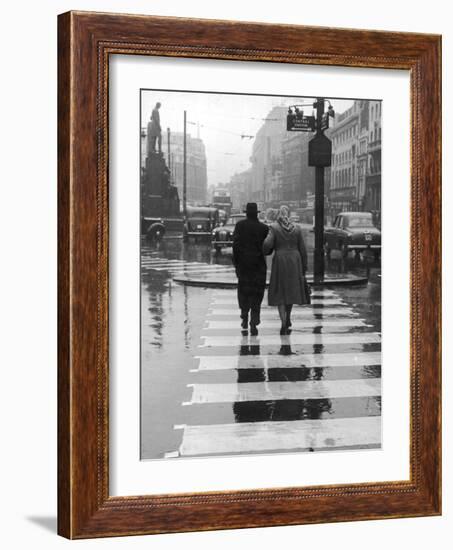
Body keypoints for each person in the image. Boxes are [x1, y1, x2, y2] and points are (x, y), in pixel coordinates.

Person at [263, 205, 309, 335]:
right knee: (291, 290)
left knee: (280, 292)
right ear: (288, 215)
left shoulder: (274, 228)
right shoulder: (297, 228)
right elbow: (303, 249)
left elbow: (267, 244)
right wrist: (304, 267)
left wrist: (266, 251)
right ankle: (288, 317)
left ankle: (283, 321)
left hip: (280, 260)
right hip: (295, 260)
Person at [232, 203, 269, 335]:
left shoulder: (240, 226)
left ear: (246, 213)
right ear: (257, 213)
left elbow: (235, 246)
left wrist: (236, 264)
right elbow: (267, 248)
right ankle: (254, 318)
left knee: (244, 291)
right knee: (257, 292)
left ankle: (244, 314)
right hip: (258, 265)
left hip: (243, 265)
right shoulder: (264, 228)